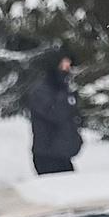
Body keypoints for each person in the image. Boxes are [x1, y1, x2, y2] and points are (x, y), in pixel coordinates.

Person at [25, 48, 83, 176]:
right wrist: (66, 95)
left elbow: (72, 118)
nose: (67, 69)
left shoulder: (63, 90)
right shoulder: (42, 91)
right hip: (47, 155)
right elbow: (56, 113)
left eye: (69, 65)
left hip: (62, 154)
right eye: (64, 65)